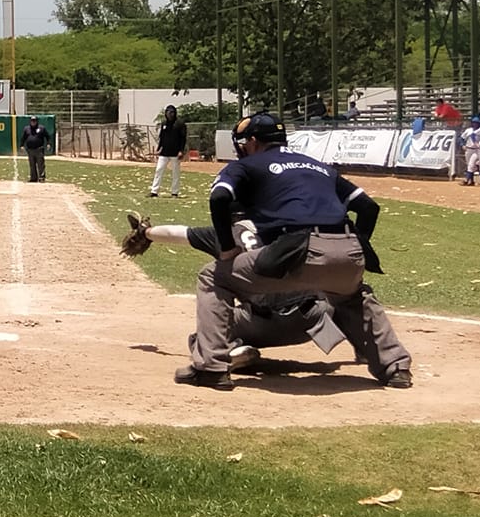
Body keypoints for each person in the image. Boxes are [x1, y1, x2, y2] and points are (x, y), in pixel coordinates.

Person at [176, 112, 412, 390]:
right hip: (348, 249)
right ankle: (395, 368)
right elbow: (368, 208)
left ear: (252, 141)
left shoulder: (248, 166)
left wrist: (227, 249)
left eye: (244, 142)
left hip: (296, 249)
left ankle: (212, 367)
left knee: (212, 276)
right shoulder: (319, 166)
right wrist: (355, 246)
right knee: (350, 295)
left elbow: (219, 197)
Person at [119, 213, 353, 371]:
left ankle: (231, 353)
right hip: (316, 319)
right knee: (333, 294)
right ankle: (364, 346)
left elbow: (178, 233)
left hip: (269, 322)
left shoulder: (226, 234)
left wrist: (146, 232)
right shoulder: (285, 226)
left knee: (204, 335)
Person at [149, 105, 186, 198]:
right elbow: (162, 137)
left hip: (175, 153)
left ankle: (174, 192)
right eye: (168, 112)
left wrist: (181, 151)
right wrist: (159, 149)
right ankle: (154, 191)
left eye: (172, 112)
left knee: (175, 173)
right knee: (159, 170)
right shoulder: (164, 123)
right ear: (166, 113)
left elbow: (183, 139)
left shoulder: (180, 124)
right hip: (164, 152)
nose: (170, 114)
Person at [21, 115, 50, 183]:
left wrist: (48, 143)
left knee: (40, 164)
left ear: (37, 121)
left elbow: (47, 136)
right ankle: (33, 178)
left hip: (39, 149)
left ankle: (42, 178)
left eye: (34, 121)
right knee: (32, 164)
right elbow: (23, 137)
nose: (33, 122)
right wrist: (21, 145)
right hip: (30, 149)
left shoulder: (41, 128)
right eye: (32, 121)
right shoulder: (27, 129)